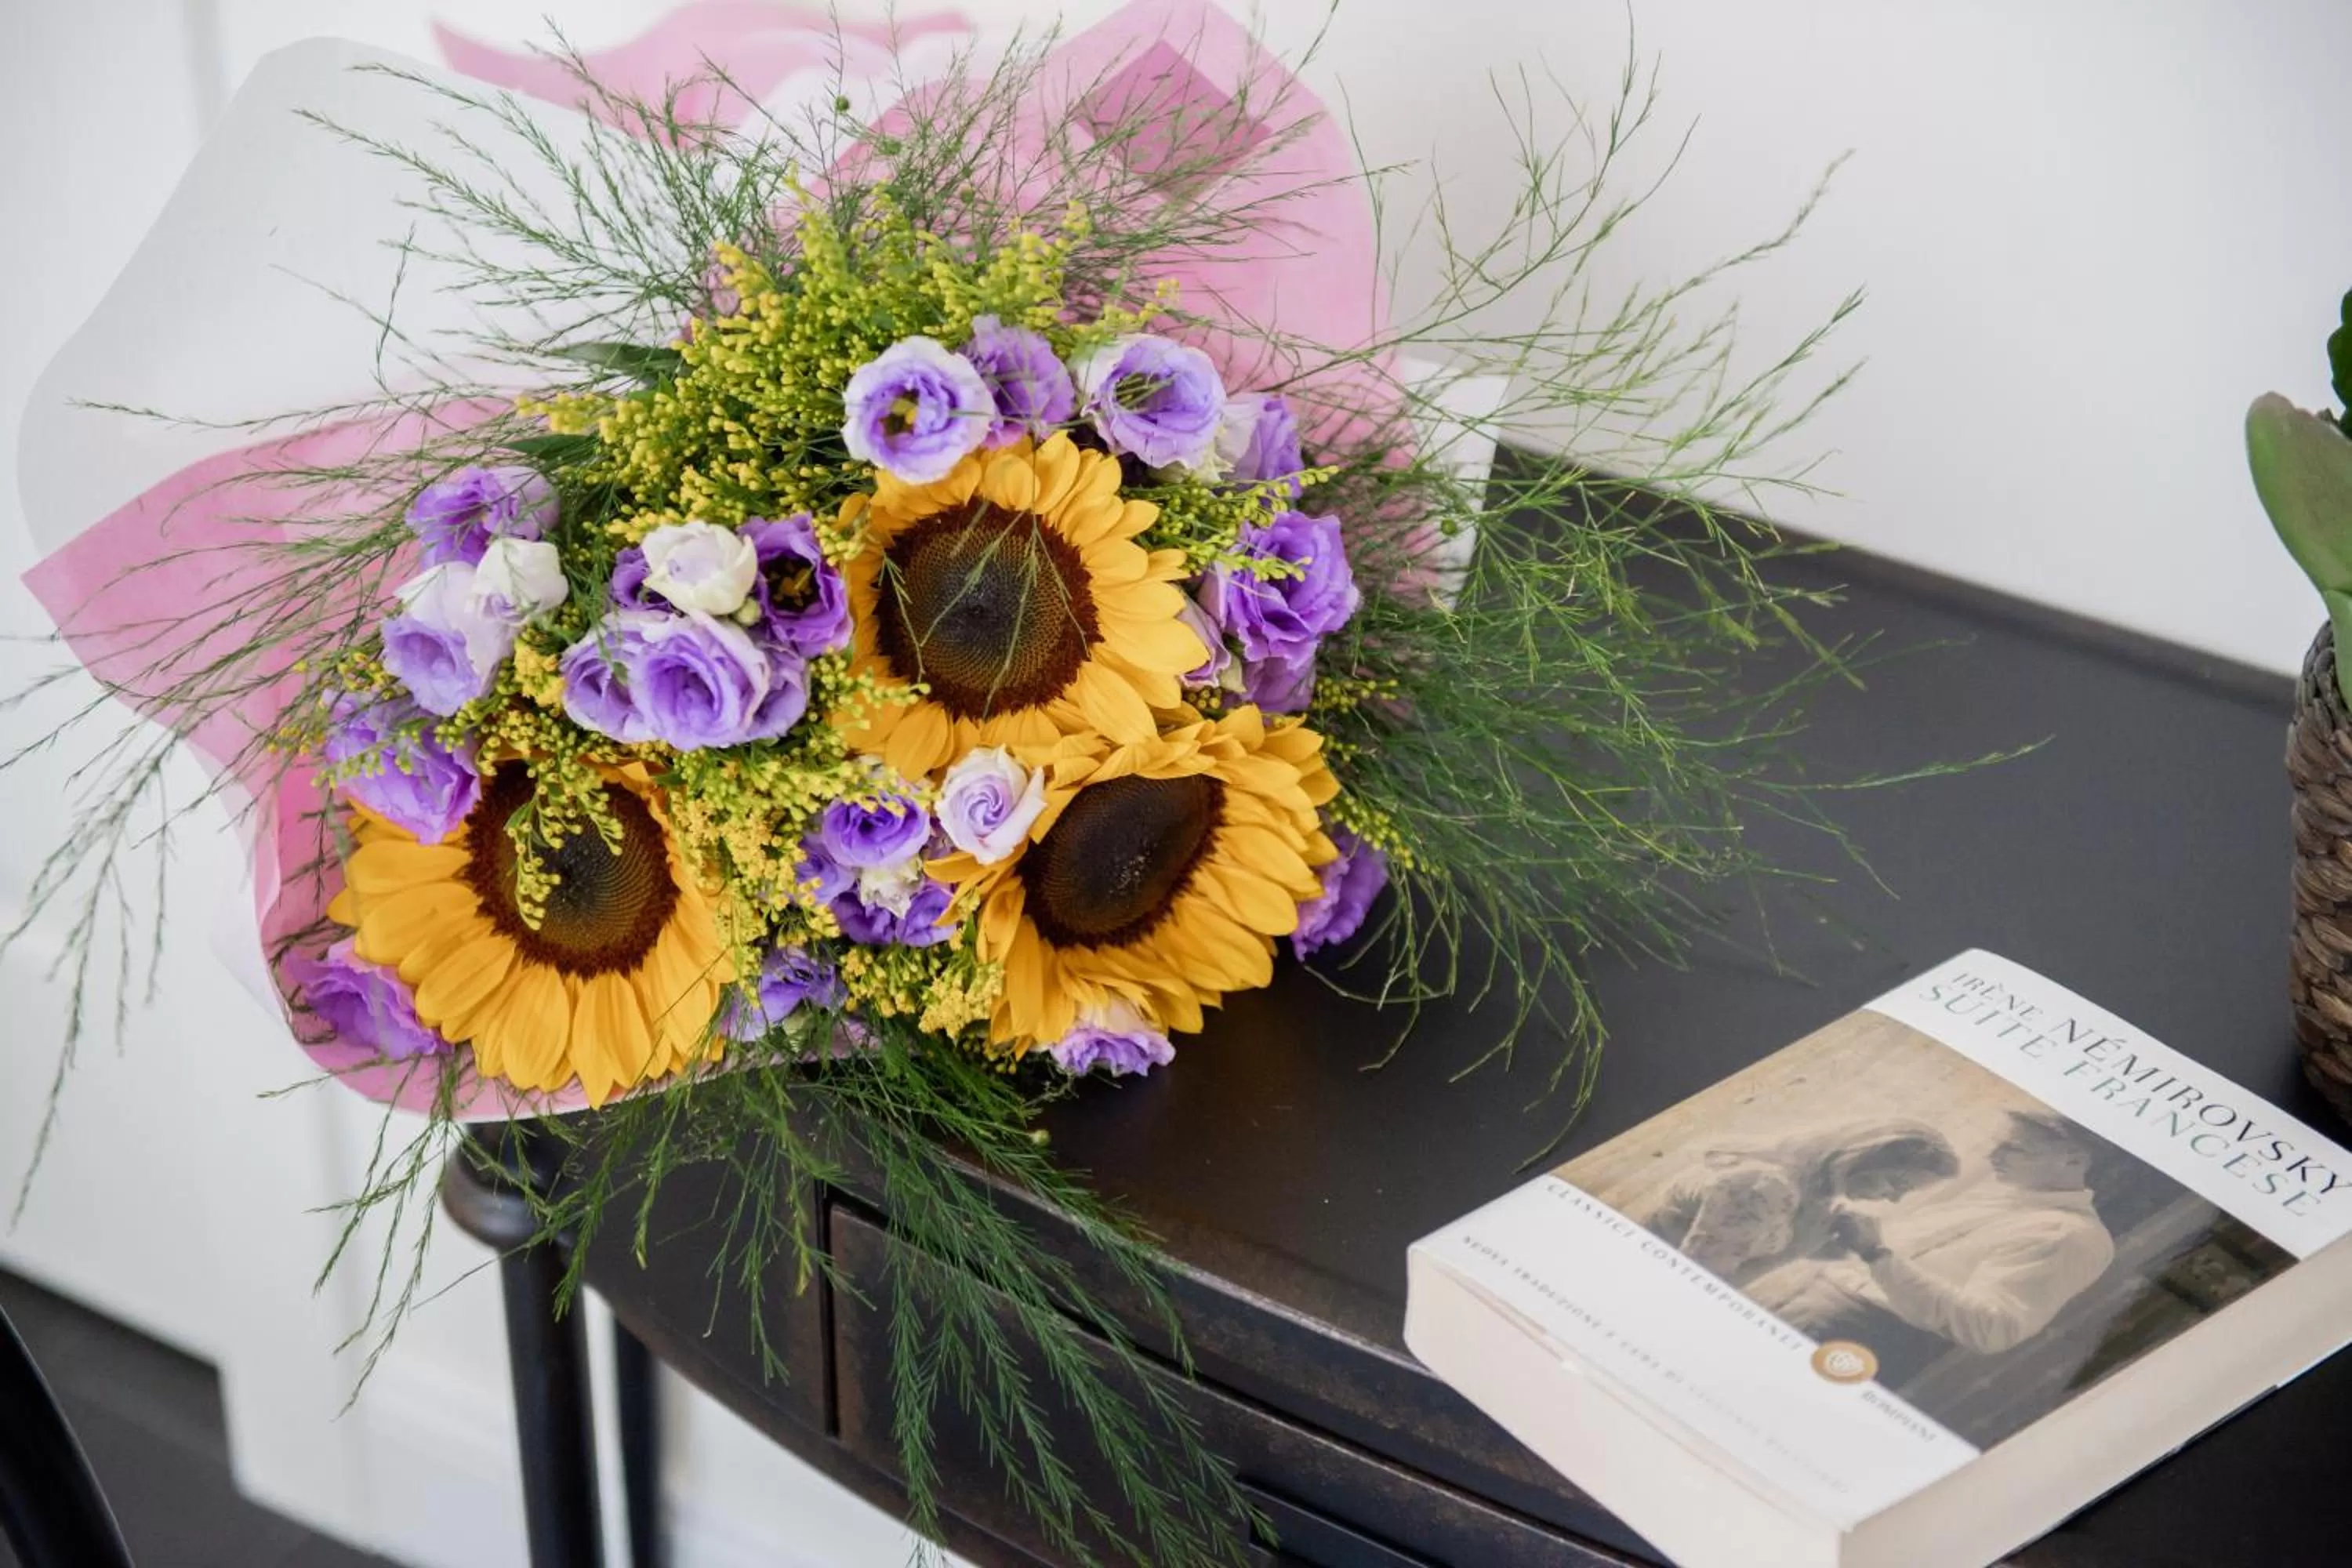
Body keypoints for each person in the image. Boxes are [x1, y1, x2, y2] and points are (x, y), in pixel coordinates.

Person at [1758, 1109, 2118, 1366]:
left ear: (2074, 1160)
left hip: (1857, 1327)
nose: (1992, 1155)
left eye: (2014, 1148)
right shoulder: (2003, 1195)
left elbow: (1991, 1329)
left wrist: (1875, 1253)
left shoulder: (2071, 1236)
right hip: (1812, 1297)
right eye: (1997, 1144)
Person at [1641, 1118, 1960, 1287]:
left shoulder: (1808, 1184)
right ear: (1865, 1155)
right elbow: (1687, 1287)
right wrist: (1794, 1251)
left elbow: (1746, 1235)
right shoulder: (1765, 1187)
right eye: (1898, 1184)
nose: (1894, 1199)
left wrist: (1823, 1248)